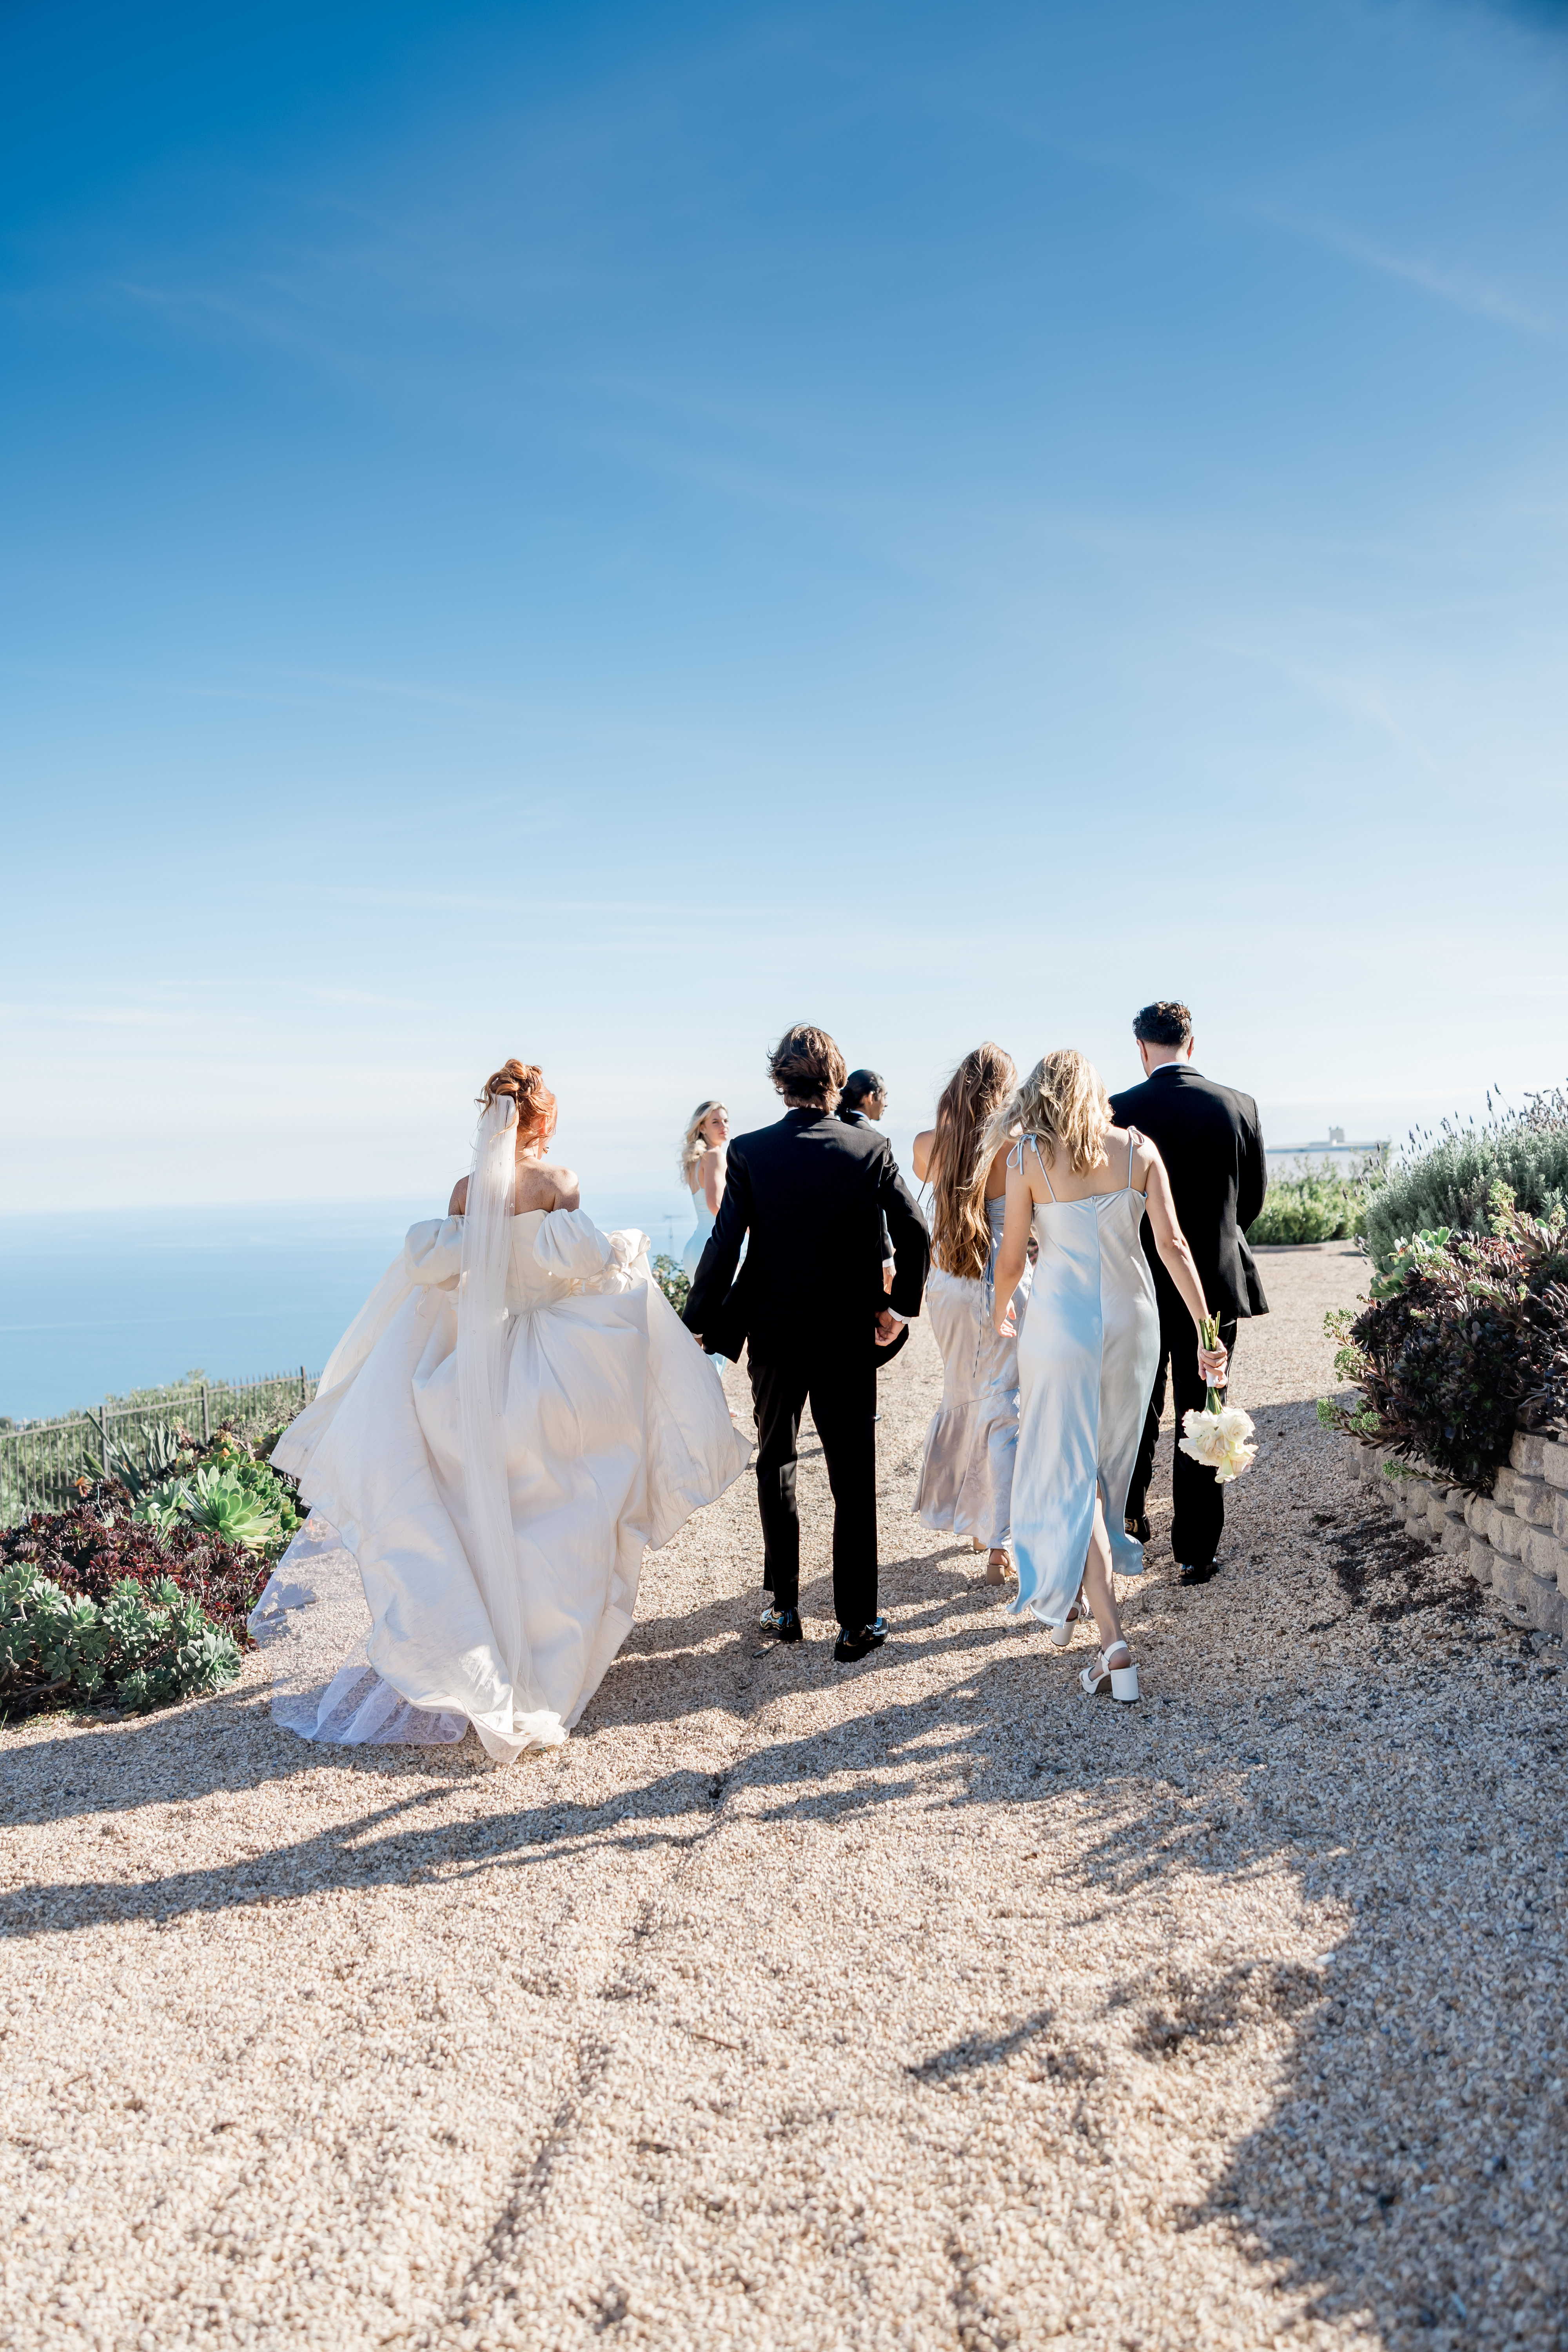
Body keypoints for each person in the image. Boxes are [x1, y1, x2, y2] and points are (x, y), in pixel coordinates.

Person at [255, 1060, 752, 1763]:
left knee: (480, 1513)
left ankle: (480, 1652)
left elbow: (456, 1274)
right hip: (553, 1367)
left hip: (473, 1373)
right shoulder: (558, 1184)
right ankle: (550, 1656)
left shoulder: (464, 1193)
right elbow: (580, 1266)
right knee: (563, 1509)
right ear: (543, 1120)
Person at [684, 1022, 929, 1661]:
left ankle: (784, 1606)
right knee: (853, 1475)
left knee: (778, 1461)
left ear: (780, 1081)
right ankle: (856, 1622)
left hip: (773, 1331)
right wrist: (898, 1309)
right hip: (848, 1332)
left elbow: (724, 1243)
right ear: (835, 1081)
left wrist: (697, 1317)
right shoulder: (868, 1148)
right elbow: (915, 1234)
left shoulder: (752, 1152)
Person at [989, 1050, 1227, 1703]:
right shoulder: (1140, 1150)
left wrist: (1000, 1308)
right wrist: (1207, 1333)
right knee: (1103, 1468)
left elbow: (1012, 1257)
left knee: (1074, 1476)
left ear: (1042, 1095)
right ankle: (1072, 1599)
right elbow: (1174, 1246)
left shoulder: (1027, 1158)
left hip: (1060, 1326)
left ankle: (1114, 1645)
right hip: (1133, 1323)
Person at [1108, 1002, 1268, 1586]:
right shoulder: (1238, 1105)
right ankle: (1196, 1551)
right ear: (1191, 1045)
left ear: (1142, 1049)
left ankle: (1128, 1515)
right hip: (1216, 1284)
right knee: (1203, 1408)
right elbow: (1249, 1202)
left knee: (1136, 1402)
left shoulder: (1118, 1110)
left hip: (1142, 1279)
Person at [911, 1044, 1028, 1587]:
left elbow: (931, 1179)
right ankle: (999, 1545)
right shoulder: (1019, 1148)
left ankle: (980, 1523)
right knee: (1005, 1408)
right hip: (1004, 1280)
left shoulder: (929, 1145)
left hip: (949, 1285)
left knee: (964, 1394)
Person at [679, 1101, 730, 1282]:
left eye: (726, 1121)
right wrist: (749, 1229)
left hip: (695, 1247)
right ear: (702, 1128)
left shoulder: (697, 1160)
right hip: (712, 1246)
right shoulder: (715, 1156)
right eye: (715, 1122)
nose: (723, 1126)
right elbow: (715, 1205)